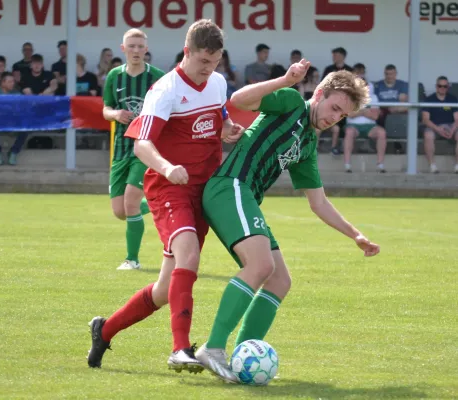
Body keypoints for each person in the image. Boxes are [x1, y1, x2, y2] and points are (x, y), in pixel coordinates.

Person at [194, 62, 380, 382]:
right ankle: (212, 349)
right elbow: (238, 99)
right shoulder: (292, 102)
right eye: (334, 107)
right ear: (319, 93)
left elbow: (318, 203)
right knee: (261, 265)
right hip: (230, 185)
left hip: (245, 196)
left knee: (280, 280)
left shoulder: (308, 144)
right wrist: (284, 81)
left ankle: (241, 359)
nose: (334, 117)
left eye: (342, 115)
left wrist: (356, 235)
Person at [87, 19, 244, 372]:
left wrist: (228, 127)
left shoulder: (217, 82)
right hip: (168, 186)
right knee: (188, 250)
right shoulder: (165, 90)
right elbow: (142, 144)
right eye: (204, 61)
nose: (210, 69)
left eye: (216, 62)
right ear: (187, 52)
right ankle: (179, 349)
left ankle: (105, 330)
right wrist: (168, 166)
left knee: (163, 289)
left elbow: (218, 116)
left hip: (204, 191)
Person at [101, 29, 165, 270]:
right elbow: (105, 109)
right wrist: (116, 114)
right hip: (120, 150)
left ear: (146, 49)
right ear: (123, 48)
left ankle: (132, 260)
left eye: (140, 46)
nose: (136, 50)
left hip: (145, 147)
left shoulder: (158, 77)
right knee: (120, 211)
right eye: (132, 46)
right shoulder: (114, 77)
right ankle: (159, 204)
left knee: (130, 203)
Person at [422, 76, 458, 173]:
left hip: (450, 126)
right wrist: (437, 129)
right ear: (436, 87)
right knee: (428, 134)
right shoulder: (429, 99)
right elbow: (425, 119)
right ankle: (432, 166)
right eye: (440, 86)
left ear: (448, 87)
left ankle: (457, 166)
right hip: (434, 126)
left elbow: (457, 119)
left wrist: (453, 129)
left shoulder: (453, 99)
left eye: (445, 86)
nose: (442, 88)